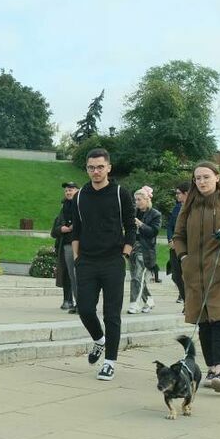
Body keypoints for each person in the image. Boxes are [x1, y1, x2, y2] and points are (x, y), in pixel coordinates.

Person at [173, 161, 220, 394]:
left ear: (217, 177)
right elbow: (178, 235)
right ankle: (210, 369)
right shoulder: (190, 205)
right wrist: (184, 257)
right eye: (197, 178)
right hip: (196, 274)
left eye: (206, 177)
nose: (202, 182)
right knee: (204, 322)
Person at [71, 148, 136, 382]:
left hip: (113, 261)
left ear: (109, 167)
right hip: (87, 261)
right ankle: (99, 340)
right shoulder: (80, 196)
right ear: (86, 169)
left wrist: (125, 254)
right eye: (91, 167)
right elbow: (75, 229)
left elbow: (131, 225)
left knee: (112, 314)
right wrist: (77, 259)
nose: (95, 171)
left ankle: (109, 362)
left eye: (100, 167)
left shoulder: (120, 193)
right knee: (85, 309)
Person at [128, 186, 161, 314]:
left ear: (147, 200)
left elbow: (153, 232)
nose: (137, 202)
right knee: (136, 277)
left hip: (145, 249)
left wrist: (140, 224)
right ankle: (149, 301)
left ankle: (134, 304)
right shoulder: (133, 212)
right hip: (132, 247)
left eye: (139, 199)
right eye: (135, 200)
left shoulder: (155, 214)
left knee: (137, 276)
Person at [52, 182, 79, 313]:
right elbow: (54, 231)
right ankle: (70, 301)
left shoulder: (81, 205)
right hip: (66, 245)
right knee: (69, 275)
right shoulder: (64, 209)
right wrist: (62, 229)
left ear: (77, 191)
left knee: (78, 275)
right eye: (67, 190)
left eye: (71, 190)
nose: (68, 192)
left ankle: (81, 302)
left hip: (80, 245)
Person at [166, 181, 189, 304]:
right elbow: (170, 226)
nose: (177, 196)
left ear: (186, 193)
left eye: (179, 193)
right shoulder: (177, 208)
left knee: (187, 276)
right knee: (176, 275)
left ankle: (188, 302)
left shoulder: (192, 209)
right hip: (174, 246)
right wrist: (170, 239)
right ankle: (185, 298)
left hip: (187, 247)